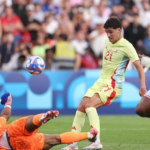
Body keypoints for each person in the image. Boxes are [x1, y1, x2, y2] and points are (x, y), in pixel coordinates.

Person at [62, 17, 147, 150]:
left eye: (111, 32)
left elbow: (139, 67)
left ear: (119, 30)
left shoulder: (127, 46)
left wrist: (143, 87)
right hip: (100, 81)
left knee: (90, 106)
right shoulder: (108, 41)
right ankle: (72, 143)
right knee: (81, 107)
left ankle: (96, 141)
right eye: (106, 32)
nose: (108, 35)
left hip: (113, 84)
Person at [0, 93, 98, 150]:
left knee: (56, 139)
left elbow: (4, 115)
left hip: (16, 147)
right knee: (27, 124)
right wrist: (8, 102)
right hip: (9, 131)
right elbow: (5, 115)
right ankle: (40, 119)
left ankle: (90, 135)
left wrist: (8, 103)